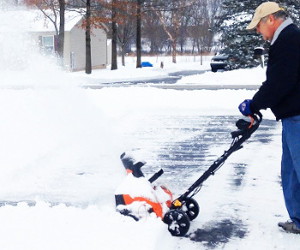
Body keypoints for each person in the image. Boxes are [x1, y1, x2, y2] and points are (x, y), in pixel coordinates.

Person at [238, 2, 300, 234]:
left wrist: (254, 103)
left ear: (271, 20)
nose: (257, 32)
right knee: (291, 171)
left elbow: (280, 82)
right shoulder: (287, 39)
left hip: (298, 117)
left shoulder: (289, 40)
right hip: (292, 116)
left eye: (258, 27)